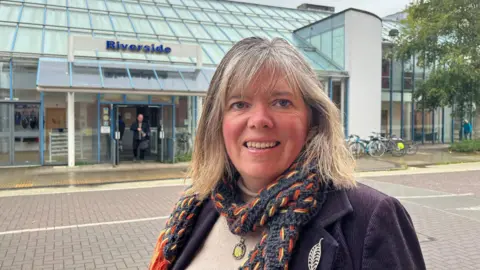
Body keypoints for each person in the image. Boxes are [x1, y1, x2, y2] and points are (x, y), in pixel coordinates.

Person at [149, 37, 426, 270]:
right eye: (240, 103)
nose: (259, 120)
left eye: (282, 102)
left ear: (313, 119)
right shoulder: (195, 210)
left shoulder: (371, 219)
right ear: (218, 122)